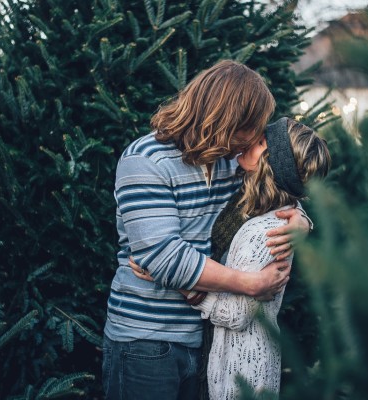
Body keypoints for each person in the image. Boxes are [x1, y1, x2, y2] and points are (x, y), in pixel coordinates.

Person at [102, 60, 311, 400]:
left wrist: (301, 219)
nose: (258, 137)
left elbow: (278, 185)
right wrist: (249, 283)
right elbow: (166, 259)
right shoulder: (146, 160)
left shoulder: (230, 160)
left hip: (205, 337)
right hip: (147, 341)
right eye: (252, 128)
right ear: (227, 120)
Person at [191, 117, 331, 399]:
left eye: (261, 142)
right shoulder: (251, 199)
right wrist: (304, 218)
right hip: (224, 354)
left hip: (242, 368)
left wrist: (184, 286)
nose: (251, 140)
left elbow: (237, 314)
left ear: (273, 165)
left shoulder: (269, 232)